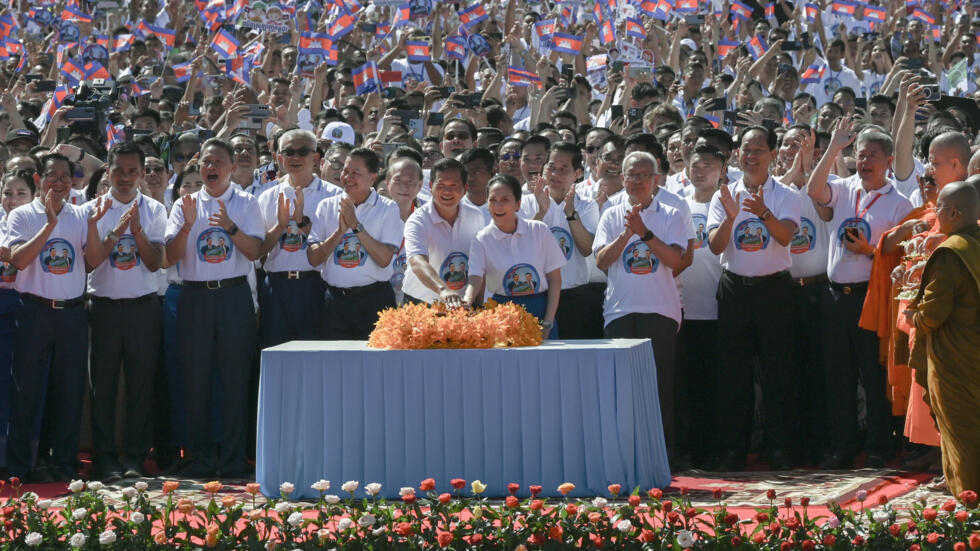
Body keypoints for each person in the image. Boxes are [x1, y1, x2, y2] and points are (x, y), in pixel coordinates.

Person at [808, 117, 914, 468]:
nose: (864, 162)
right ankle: (843, 445)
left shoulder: (899, 204)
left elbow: (902, 256)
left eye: (872, 156)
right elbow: (813, 190)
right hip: (836, 295)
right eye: (860, 154)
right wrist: (835, 148)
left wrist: (870, 250)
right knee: (837, 375)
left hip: (873, 296)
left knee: (873, 374)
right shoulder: (844, 187)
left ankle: (880, 447)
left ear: (887, 161)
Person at [4, 153, 109, 482]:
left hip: (72, 313)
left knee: (69, 391)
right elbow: (19, 261)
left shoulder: (81, 214)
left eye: (66, 176)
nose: (60, 182)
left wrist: (92, 224)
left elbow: (93, 260)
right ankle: (21, 466)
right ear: (38, 179)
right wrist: (49, 224)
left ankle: (63, 463)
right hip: (33, 311)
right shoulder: (22, 215)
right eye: (53, 176)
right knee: (26, 392)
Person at [164, 138, 263, 479]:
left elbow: (254, 252)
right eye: (206, 161)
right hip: (195, 299)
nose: (211, 167)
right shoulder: (184, 204)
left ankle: (234, 460)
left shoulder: (247, 202)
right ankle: (202, 458)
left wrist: (230, 227)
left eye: (218, 161)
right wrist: (189, 224)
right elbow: (170, 257)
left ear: (232, 167)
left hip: (233, 296)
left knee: (235, 380)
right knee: (196, 380)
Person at [707, 126, 801, 471]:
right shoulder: (725, 194)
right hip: (734, 289)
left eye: (758, 150)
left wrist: (762, 212)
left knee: (779, 372)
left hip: (775, 290)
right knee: (733, 375)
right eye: (745, 150)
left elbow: (786, 236)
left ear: (773, 155)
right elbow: (716, 245)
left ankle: (780, 448)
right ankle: (733, 449)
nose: (750, 156)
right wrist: (732, 218)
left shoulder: (787, 195)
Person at [594, 151, 690, 460]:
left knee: (659, 386)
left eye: (643, 176)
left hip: (660, 311)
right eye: (631, 176)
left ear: (656, 180)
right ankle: (623, 455)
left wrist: (645, 233)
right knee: (622, 389)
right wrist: (627, 232)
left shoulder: (671, 214)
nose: (636, 181)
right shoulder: (610, 213)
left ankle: (663, 455)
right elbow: (602, 261)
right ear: (621, 179)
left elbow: (675, 261)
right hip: (620, 311)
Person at [85, 142, 167, 481]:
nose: (126, 177)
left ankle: (134, 457)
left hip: (143, 309)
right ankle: (105, 459)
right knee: (101, 388)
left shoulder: (154, 210)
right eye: (119, 170)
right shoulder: (90, 211)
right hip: (101, 308)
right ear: (108, 170)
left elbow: (154, 262)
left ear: (142, 174)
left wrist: (136, 231)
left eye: (134, 171)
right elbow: (91, 261)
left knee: (141, 386)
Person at [905, 181, 980, 496]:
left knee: (961, 432)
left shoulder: (951, 253)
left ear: (954, 211)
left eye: (938, 209)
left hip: (956, 359)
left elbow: (934, 313)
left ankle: (969, 506)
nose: (935, 214)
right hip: (973, 351)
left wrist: (915, 318)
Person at [256, 129, 341, 347]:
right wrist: (281, 225)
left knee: (315, 356)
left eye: (302, 152)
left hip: (316, 286)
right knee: (276, 354)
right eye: (288, 152)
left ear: (315, 158)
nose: (295, 157)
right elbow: (258, 251)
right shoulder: (267, 196)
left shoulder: (334, 196)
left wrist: (302, 220)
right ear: (279, 157)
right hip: (277, 287)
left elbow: (336, 245)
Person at [307, 148, 403, 339]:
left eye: (356, 173)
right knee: (335, 364)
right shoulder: (326, 206)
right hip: (335, 302)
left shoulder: (387, 208)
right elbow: (314, 259)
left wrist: (356, 226)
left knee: (376, 365)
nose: (347, 177)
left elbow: (385, 259)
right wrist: (339, 232)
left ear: (372, 179)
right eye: (345, 171)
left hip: (374, 300)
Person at [463, 174, 566, 339]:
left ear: (518, 204)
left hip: (540, 308)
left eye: (505, 199)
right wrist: (467, 301)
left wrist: (548, 321)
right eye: (493, 200)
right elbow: (475, 278)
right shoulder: (481, 239)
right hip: (501, 313)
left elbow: (555, 279)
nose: (498, 205)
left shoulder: (539, 230)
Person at [520, 142, 601, 338]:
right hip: (536, 295)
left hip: (574, 296)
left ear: (578, 173)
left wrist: (571, 214)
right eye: (551, 167)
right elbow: (520, 247)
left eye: (563, 169)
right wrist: (541, 212)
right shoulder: (526, 202)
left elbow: (587, 249)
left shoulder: (587, 205)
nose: (555, 174)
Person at [403, 158, 485, 305]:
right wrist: (443, 290)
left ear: (465, 189)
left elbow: (480, 265)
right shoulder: (418, 220)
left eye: (454, 185)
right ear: (430, 186)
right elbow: (417, 261)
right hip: (422, 304)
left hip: (462, 304)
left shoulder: (476, 216)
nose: (447, 191)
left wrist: (477, 303)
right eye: (441, 185)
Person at [0, 170, 34, 470]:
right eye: (8, 193)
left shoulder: (38, 222)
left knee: (22, 383)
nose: (12, 200)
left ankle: (20, 456)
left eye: (21, 193)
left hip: (26, 305)